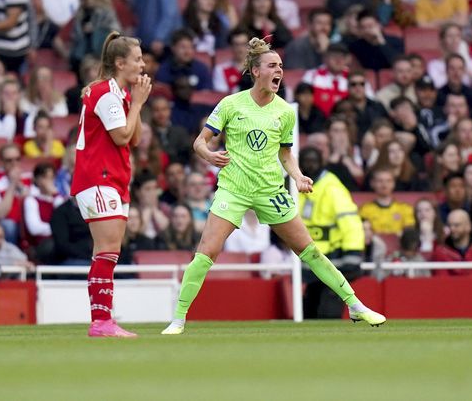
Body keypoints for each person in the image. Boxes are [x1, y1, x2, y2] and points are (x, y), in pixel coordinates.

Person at [161, 36, 385, 335]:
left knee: (309, 251)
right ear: (256, 71)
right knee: (207, 252)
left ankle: (355, 305)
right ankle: (178, 319)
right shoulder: (231, 104)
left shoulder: (285, 111)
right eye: (272, 65)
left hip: (270, 190)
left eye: (281, 66)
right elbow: (199, 142)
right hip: (234, 189)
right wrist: (209, 155)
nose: (278, 70)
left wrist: (297, 175)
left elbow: (284, 152)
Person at [70, 31, 152, 337]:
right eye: (137, 59)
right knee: (107, 250)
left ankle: (102, 320)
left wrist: (137, 103)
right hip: (99, 177)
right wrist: (137, 103)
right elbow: (120, 136)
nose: (142, 64)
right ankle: (101, 321)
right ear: (120, 63)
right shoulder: (105, 94)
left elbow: (135, 138)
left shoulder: (119, 94)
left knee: (107, 252)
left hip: (113, 178)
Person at [297, 146, 366, 318]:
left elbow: (350, 222)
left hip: (334, 256)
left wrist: (353, 254)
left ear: (322, 163)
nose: (310, 166)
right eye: (306, 162)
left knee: (329, 304)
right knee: (311, 303)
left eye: (314, 161)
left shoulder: (332, 187)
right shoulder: (293, 184)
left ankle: (330, 339)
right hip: (307, 255)